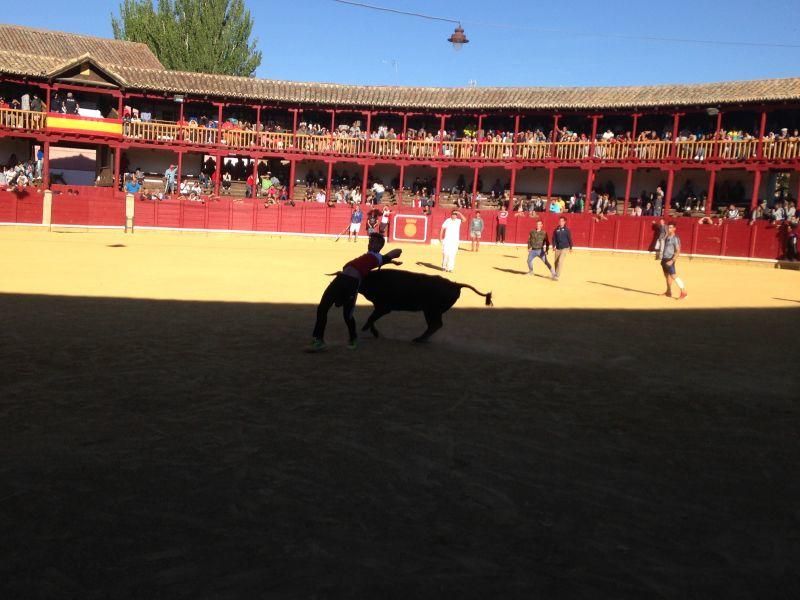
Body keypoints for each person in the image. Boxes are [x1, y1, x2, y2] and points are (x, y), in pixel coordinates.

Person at [309, 233, 402, 352]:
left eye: (374, 242)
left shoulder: (379, 258)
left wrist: (387, 258)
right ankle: (318, 339)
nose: (370, 243)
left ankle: (353, 338)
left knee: (347, 315)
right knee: (322, 307)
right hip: (339, 279)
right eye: (370, 241)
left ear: (380, 246)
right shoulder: (368, 256)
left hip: (351, 284)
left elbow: (398, 251)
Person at [661, 222, 688, 299]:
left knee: (673, 275)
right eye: (668, 227)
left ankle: (684, 291)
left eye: (670, 227)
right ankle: (668, 292)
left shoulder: (675, 238)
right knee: (667, 276)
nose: (668, 229)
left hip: (670, 259)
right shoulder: (667, 237)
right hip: (664, 259)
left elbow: (678, 251)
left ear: (674, 229)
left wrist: (672, 260)